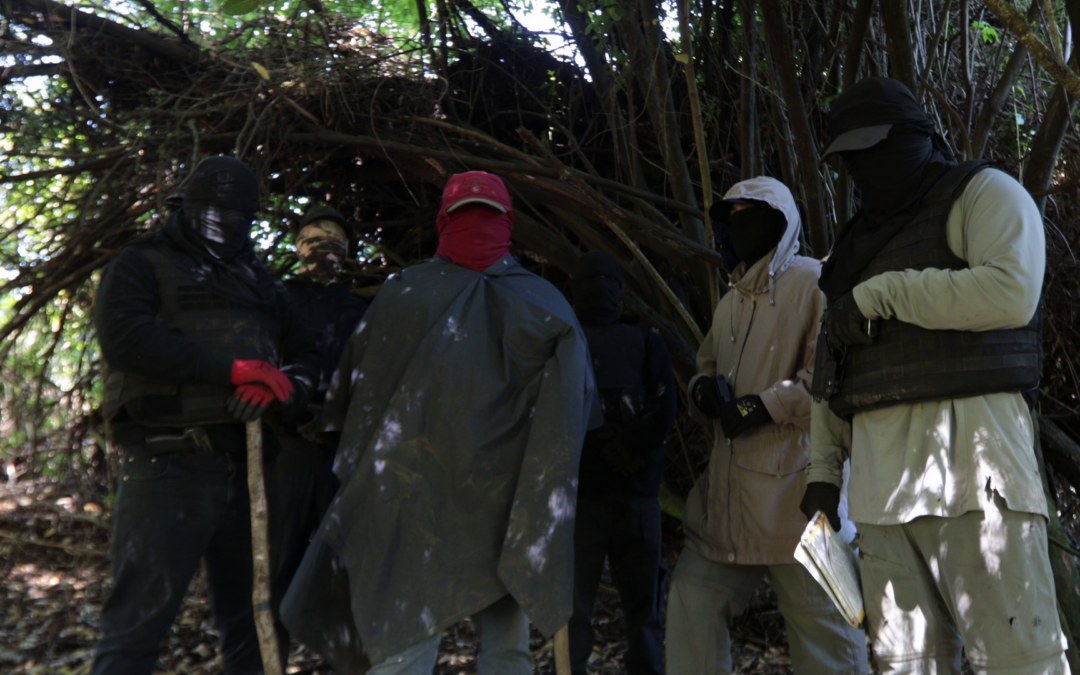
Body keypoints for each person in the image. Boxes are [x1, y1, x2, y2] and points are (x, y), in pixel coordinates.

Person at [279, 170, 598, 674]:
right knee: (504, 648)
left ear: (439, 221)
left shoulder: (404, 293)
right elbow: (572, 416)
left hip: (414, 504)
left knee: (404, 643)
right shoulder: (544, 303)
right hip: (504, 507)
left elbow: (358, 401)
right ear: (509, 222)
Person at [804, 76, 1068, 674]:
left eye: (876, 149)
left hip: (979, 480)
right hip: (877, 490)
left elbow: (1011, 292)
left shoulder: (982, 195)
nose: (865, 169)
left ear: (916, 136)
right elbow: (832, 361)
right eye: (851, 159)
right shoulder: (850, 246)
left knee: (1020, 662)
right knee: (908, 665)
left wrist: (885, 293)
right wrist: (822, 469)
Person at [91, 156, 319, 675]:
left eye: (237, 216)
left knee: (257, 626)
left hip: (252, 470)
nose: (224, 225)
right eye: (212, 214)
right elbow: (127, 340)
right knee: (136, 626)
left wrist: (281, 390)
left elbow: (303, 356)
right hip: (169, 465)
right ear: (185, 208)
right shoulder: (141, 263)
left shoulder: (258, 279)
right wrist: (232, 370)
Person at [666, 176, 868, 675]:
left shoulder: (815, 281)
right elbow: (706, 365)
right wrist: (702, 391)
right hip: (726, 502)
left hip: (802, 499)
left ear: (779, 222)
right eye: (729, 217)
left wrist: (763, 407)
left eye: (749, 215)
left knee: (830, 637)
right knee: (693, 601)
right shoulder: (731, 300)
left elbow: (836, 377)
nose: (738, 227)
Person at [567, 251, 677, 675]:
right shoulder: (569, 338)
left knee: (623, 616)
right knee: (629, 616)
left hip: (605, 501)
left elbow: (666, 408)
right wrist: (629, 445)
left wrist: (626, 444)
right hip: (611, 499)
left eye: (604, 280)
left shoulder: (570, 338)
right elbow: (664, 408)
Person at [273, 205, 369, 604]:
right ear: (297, 247)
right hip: (285, 449)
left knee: (345, 570)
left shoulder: (360, 309)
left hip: (341, 451)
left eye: (334, 242)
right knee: (279, 564)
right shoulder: (277, 298)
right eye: (313, 240)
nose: (323, 250)